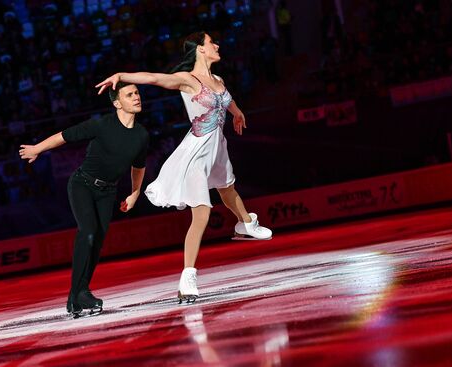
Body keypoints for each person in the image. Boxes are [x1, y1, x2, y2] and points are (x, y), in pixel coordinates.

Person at [96, 31, 272, 304]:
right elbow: (155, 78)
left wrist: (237, 112)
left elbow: (226, 99)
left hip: (217, 148)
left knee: (228, 190)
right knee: (201, 214)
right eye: (211, 42)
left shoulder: (218, 80)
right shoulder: (187, 80)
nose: (217, 44)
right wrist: (122, 75)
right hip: (197, 153)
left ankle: (245, 224)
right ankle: (187, 278)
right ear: (200, 50)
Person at [19, 82, 149, 317]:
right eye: (129, 95)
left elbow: (138, 166)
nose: (136, 97)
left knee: (97, 242)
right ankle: (81, 292)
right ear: (117, 103)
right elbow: (65, 136)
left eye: (137, 93)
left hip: (108, 192)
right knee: (88, 231)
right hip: (83, 185)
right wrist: (37, 148)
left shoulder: (141, 135)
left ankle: (75, 297)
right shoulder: (101, 125)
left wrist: (135, 192)